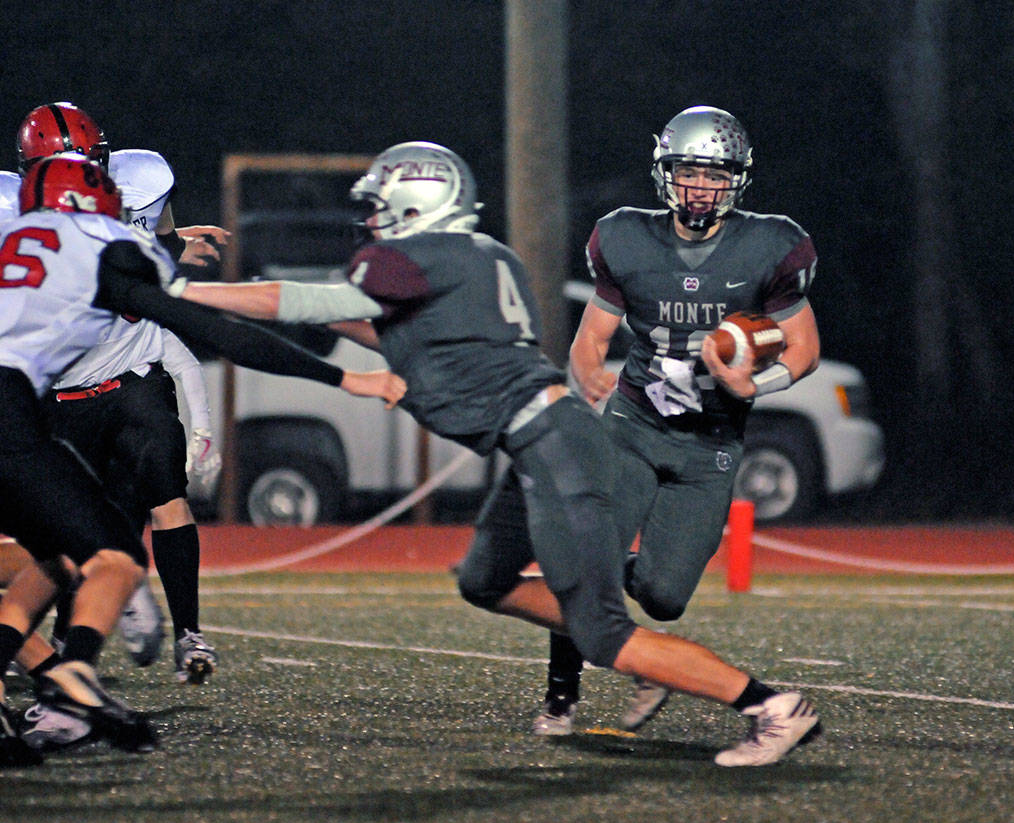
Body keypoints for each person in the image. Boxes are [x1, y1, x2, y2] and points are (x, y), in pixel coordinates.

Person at [174, 140, 823, 767]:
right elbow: (399, 337)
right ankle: (638, 648)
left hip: (556, 448)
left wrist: (184, 291)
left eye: (379, 205)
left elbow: (309, 300)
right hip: (541, 440)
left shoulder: (413, 259)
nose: (370, 221)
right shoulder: (482, 257)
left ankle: (771, 705)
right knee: (484, 580)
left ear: (412, 205)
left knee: (607, 634)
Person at [0, 153, 403, 764]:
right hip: (16, 414)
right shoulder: (103, 250)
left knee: (45, 557)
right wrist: (346, 381)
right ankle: (73, 669)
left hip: (28, 409)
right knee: (110, 557)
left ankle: (55, 676)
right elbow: (218, 332)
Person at [525, 105, 821, 735]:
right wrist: (588, 374)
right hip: (632, 423)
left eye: (715, 177)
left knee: (664, 596)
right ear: (665, 173)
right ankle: (560, 694)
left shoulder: (770, 245)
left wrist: (753, 382)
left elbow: (805, 350)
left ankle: (630, 636)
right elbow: (590, 336)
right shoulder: (626, 237)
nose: (700, 189)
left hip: (710, 443)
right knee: (591, 557)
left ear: (737, 181)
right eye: (689, 173)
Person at [4, 102, 229, 694]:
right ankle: (50, 653)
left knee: (147, 512)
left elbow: (146, 249)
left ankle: (177, 636)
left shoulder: (140, 186)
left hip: (130, 381)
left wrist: (173, 244)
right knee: (55, 539)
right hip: (51, 393)